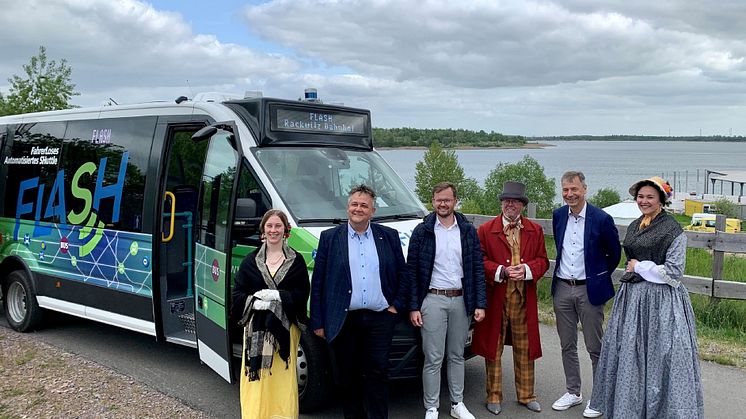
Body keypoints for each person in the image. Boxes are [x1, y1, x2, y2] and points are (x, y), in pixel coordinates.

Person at [589, 177, 704, 418]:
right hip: (633, 299)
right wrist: (637, 268)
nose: (644, 201)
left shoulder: (673, 229)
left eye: (650, 197)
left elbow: (674, 272)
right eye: (641, 196)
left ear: (661, 200)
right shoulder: (634, 225)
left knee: (662, 356)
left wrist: (640, 267)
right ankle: (630, 408)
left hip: (661, 302)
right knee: (630, 353)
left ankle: (664, 411)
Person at [310, 184, 407, 419]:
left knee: (378, 374)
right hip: (344, 319)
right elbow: (319, 282)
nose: (358, 208)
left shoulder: (389, 236)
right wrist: (318, 321)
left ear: (373, 210)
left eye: (364, 205)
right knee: (347, 376)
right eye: (354, 204)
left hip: (380, 318)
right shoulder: (330, 238)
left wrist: (396, 305)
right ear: (347, 208)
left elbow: (403, 275)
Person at [407, 182, 488, 419]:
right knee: (433, 357)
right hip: (432, 299)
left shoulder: (467, 230)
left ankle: (457, 403)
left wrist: (479, 303)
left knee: (456, 355)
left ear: (455, 201)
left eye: (448, 200)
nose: (443, 204)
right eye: (439, 200)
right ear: (432, 201)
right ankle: (431, 407)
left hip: (461, 300)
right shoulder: (423, 231)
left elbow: (476, 269)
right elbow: (411, 271)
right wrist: (413, 306)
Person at [472, 181, 549, 415]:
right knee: (493, 348)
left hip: (523, 298)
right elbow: (479, 261)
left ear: (522, 206)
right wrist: (501, 271)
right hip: (496, 298)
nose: (510, 205)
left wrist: (526, 269)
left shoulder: (535, 230)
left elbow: (543, 261)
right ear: (501, 204)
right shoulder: (485, 230)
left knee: (525, 349)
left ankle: (526, 395)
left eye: (515, 201)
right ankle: (493, 395)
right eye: (506, 201)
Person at [550, 171, 621, 418]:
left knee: (595, 346)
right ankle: (573, 391)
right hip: (561, 287)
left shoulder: (602, 218)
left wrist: (597, 276)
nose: (570, 194)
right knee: (566, 344)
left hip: (589, 289)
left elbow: (614, 255)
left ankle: (599, 396)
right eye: (565, 190)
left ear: (584, 189)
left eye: (574, 189)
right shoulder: (558, 215)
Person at [231, 209, 310, 419]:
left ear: (285, 230)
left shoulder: (297, 261)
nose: (273, 230)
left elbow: (302, 294)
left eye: (278, 226)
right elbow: (238, 294)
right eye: (269, 226)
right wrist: (256, 303)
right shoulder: (250, 261)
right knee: (258, 379)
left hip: (286, 331)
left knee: (282, 379)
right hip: (256, 331)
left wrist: (277, 296)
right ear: (263, 231)